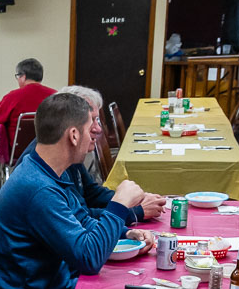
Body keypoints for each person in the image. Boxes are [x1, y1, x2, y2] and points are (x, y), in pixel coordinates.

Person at [0, 93, 152, 289]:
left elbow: (82, 222)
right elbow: (89, 259)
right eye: (89, 128)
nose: (94, 134)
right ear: (73, 135)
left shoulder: (47, 170)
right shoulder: (39, 189)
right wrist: (119, 205)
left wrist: (124, 232)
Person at [57, 85, 165, 223]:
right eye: (91, 121)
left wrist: (135, 199)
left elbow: (92, 193)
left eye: (97, 120)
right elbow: (80, 217)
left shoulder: (72, 153)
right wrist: (135, 212)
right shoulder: (55, 162)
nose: (98, 129)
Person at [0, 58, 56, 153]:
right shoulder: (55, 96)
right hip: (49, 150)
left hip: (19, 151)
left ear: (23, 76)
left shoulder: (13, 96)